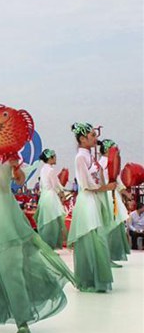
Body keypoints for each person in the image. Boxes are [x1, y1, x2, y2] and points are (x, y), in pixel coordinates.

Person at [0, 110, 74, 333]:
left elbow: (19, 182)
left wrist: (15, 168)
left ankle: (22, 321)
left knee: (12, 268)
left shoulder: (10, 153)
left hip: (5, 213)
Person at [67, 123, 117, 292]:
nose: (96, 138)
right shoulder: (80, 157)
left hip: (94, 200)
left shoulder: (89, 155)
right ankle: (89, 279)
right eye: (92, 135)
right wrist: (107, 188)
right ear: (82, 139)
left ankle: (97, 278)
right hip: (87, 201)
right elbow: (86, 184)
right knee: (92, 240)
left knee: (97, 240)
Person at [98, 139, 130, 264]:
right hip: (110, 194)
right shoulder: (109, 162)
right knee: (112, 224)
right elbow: (116, 181)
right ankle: (109, 256)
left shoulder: (101, 162)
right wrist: (125, 192)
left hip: (105, 193)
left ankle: (107, 256)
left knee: (108, 223)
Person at [34, 149, 68, 249]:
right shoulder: (51, 170)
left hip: (44, 196)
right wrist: (62, 194)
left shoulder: (43, 169)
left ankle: (45, 243)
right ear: (50, 158)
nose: (56, 158)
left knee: (46, 220)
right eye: (54, 156)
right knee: (53, 221)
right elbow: (55, 184)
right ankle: (51, 244)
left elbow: (41, 186)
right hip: (51, 196)